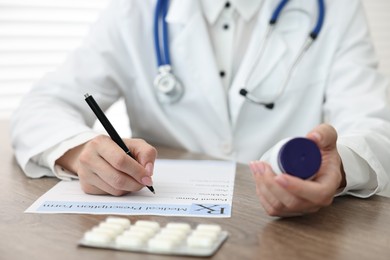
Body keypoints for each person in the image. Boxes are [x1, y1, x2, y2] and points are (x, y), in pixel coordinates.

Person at [11, 0, 390, 217]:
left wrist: (340, 166)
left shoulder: (336, 10)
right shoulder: (136, 10)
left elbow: (374, 123)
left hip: (290, 233)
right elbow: (43, 103)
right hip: (163, 222)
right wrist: (80, 151)